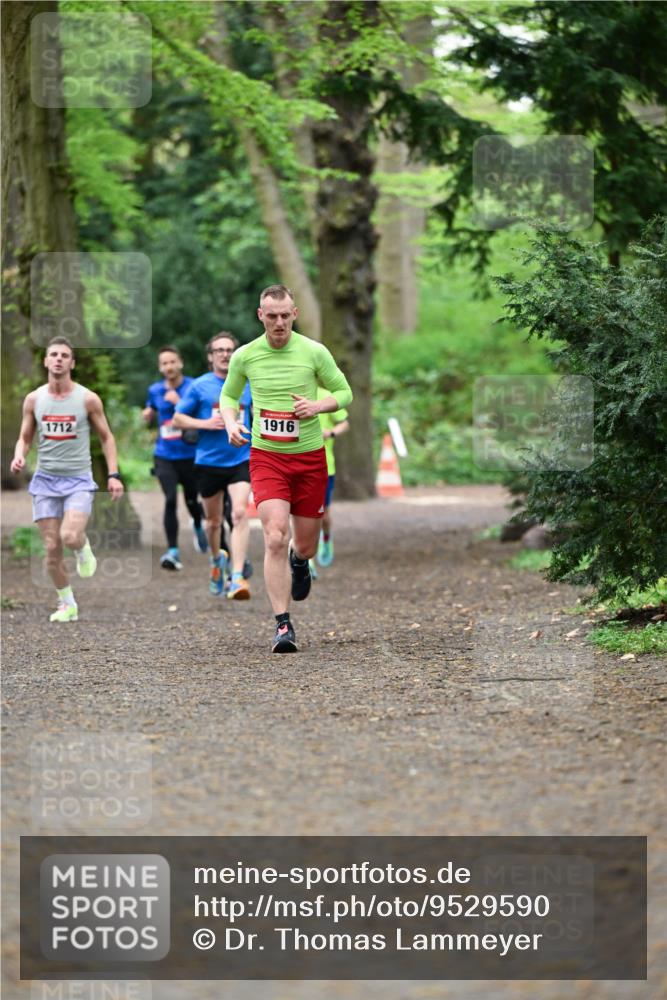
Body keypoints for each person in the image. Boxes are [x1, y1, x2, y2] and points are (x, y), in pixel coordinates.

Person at [219, 284, 353, 653]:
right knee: (275, 535)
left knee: (304, 545)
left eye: (284, 315)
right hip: (267, 457)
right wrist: (230, 422)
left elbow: (344, 393)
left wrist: (317, 407)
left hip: (310, 459)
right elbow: (229, 395)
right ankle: (283, 624)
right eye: (271, 316)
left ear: (295, 314)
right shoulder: (246, 355)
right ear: (260, 315)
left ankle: (300, 560)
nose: (278, 323)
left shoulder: (314, 352)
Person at [10, 336, 124, 622]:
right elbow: (25, 437)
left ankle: (82, 548)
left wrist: (113, 475)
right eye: (54, 355)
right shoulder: (34, 399)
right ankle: (67, 603)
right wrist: (19, 455)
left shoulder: (87, 399)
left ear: (72, 363)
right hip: (45, 481)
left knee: (70, 536)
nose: (58, 359)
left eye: (64, 355)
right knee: (51, 547)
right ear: (46, 361)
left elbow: (107, 437)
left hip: (78, 480)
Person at [173, 333, 253, 600]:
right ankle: (217, 558)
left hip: (241, 457)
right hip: (208, 461)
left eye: (230, 350)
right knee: (213, 522)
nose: (225, 354)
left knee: (239, 514)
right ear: (210, 356)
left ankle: (237, 576)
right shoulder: (199, 386)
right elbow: (178, 418)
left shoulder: (248, 384)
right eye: (219, 350)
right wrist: (205, 424)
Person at [143, 345, 208, 571]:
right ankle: (172, 551)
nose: (169, 366)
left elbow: (202, 413)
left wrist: (177, 401)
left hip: (190, 454)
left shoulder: (193, 386)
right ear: (160, 367)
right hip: (165, 454)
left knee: (192, 500)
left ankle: (198, 524)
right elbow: (151, 407)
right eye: (164, 363)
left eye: (172, 362)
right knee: (170, 499)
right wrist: (148, 413)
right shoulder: (154, 390)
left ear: (180, 363)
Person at [316, 386, 349, 568]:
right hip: (295, 465)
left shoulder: (325, 395)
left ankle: (326, 538)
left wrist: (330, 433)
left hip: (324, 466)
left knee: (323, 514)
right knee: (299, 514)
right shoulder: (287, 393)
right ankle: (306, 558)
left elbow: (344, 423)